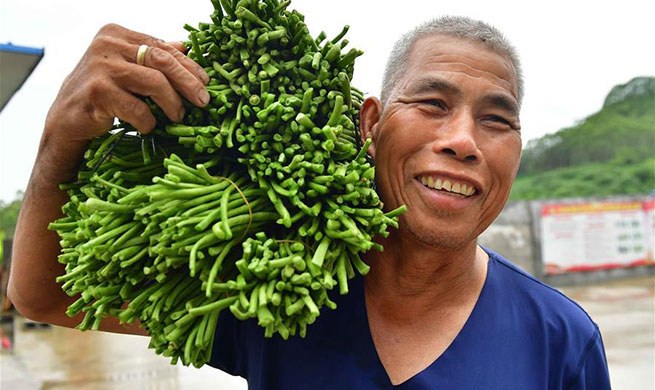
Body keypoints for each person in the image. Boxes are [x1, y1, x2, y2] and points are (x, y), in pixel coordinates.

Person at [8, 14, 611, 389]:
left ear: (518, 150)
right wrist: (59, 142)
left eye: (496, 120)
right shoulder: (280, 288)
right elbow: (41, 293)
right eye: (432, 103)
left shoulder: (561, 340)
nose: (461, 141)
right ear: (369, 124)